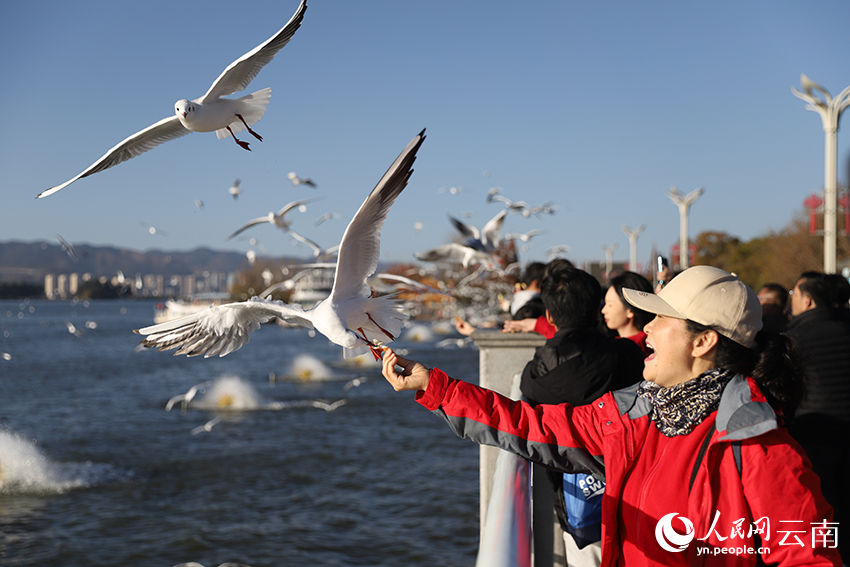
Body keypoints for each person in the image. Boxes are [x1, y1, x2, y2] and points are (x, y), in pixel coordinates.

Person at [383, 266, 840, 567]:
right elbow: (533, 426)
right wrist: (434, 387)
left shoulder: (759, 445)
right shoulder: (635, 414)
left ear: (702, 342)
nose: (647, 329)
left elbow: (810, 556)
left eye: (662, 319)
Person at [519, 266, 645, 564]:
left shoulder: (538, 372)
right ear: (596, 308)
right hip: (634, 491)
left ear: (549, 316)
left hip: (577, 498)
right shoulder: (628, 355)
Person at [786, 271, 850, 561]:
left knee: (823, 507)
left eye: (795, 295)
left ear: (808, 301)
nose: (792, 300)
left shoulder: (794, 338)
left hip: (814, 434)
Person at [601, 271, 654, 356]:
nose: (603, 310)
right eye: (605, 304)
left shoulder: (635, 347)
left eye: (610, 305)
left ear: (630, 310)